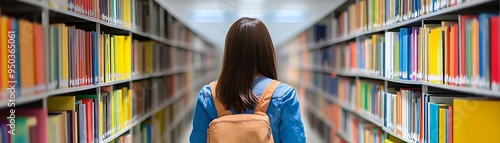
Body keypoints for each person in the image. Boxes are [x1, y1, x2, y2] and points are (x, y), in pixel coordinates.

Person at [189, 17, 306, 143]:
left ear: (229, 53)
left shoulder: (208, 96)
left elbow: (197, 140)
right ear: (267, 51)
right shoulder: (284, 95)